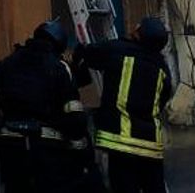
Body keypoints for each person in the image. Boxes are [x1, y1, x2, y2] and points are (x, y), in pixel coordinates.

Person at [0, 20, 95, 192]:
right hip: (47, 151)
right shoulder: (59, 68)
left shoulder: (6, 64)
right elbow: (74, 114)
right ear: (59, 45)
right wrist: (81, 152)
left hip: (11, 148)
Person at [72, 16, 176, 193]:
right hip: (150, 146)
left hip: (122, 144)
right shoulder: (162, 67)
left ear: (139, 34)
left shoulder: (118, 50)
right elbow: (163, 99)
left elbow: (89, 54)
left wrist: (79, 53)